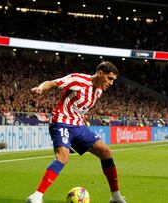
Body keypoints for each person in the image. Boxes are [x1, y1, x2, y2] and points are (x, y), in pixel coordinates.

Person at [26, 61, 126, 203]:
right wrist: (41, 88)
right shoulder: (78, 79)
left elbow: (79, 108)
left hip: (78, 126)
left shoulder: (99, 90)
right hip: (61, 122)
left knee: (106, 152)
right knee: (63, 158)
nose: (111, 83)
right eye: (110, 78)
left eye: (113, 80)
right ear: (100, 73)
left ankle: (115, 196)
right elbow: (53, 83)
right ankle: (36, 196)